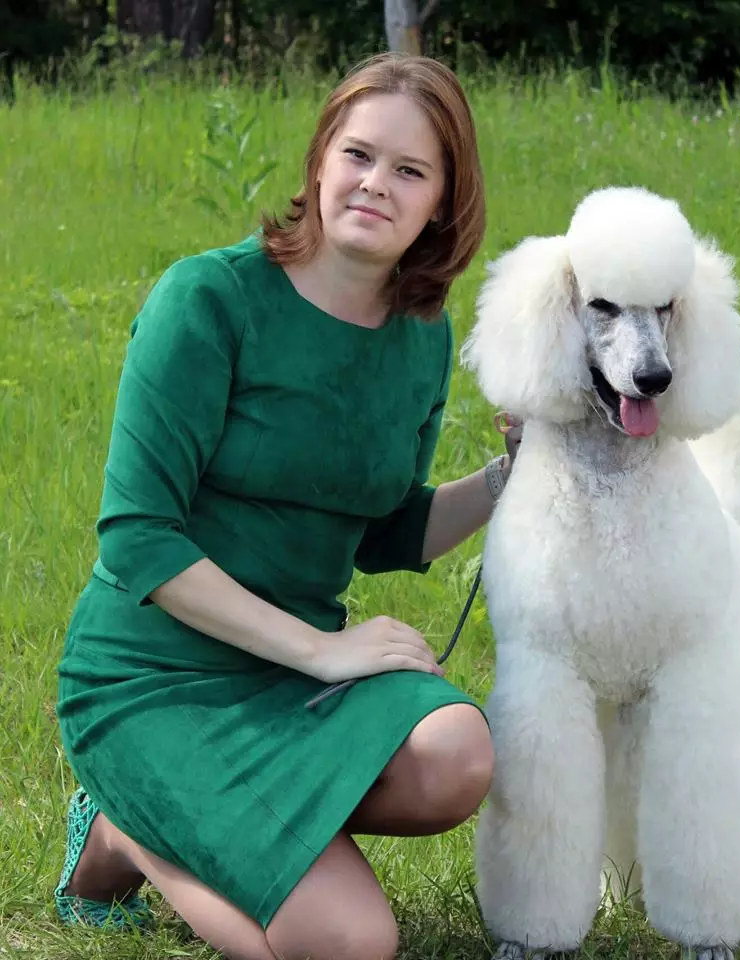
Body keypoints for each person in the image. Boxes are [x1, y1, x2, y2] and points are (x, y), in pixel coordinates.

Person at [53, 52, 521, 960]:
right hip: (151, 675)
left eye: (411, 170)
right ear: (319, 161)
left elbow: (383, 526)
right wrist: (325, 650)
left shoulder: (422, 339)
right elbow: (140, 538)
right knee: (349, 945)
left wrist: (512, 476)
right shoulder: (210, 299)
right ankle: (129, 826)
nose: (376, 184)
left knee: (459, 754)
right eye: (359, 154)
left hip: (289, 683)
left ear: (441, 205)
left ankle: (214, 825)